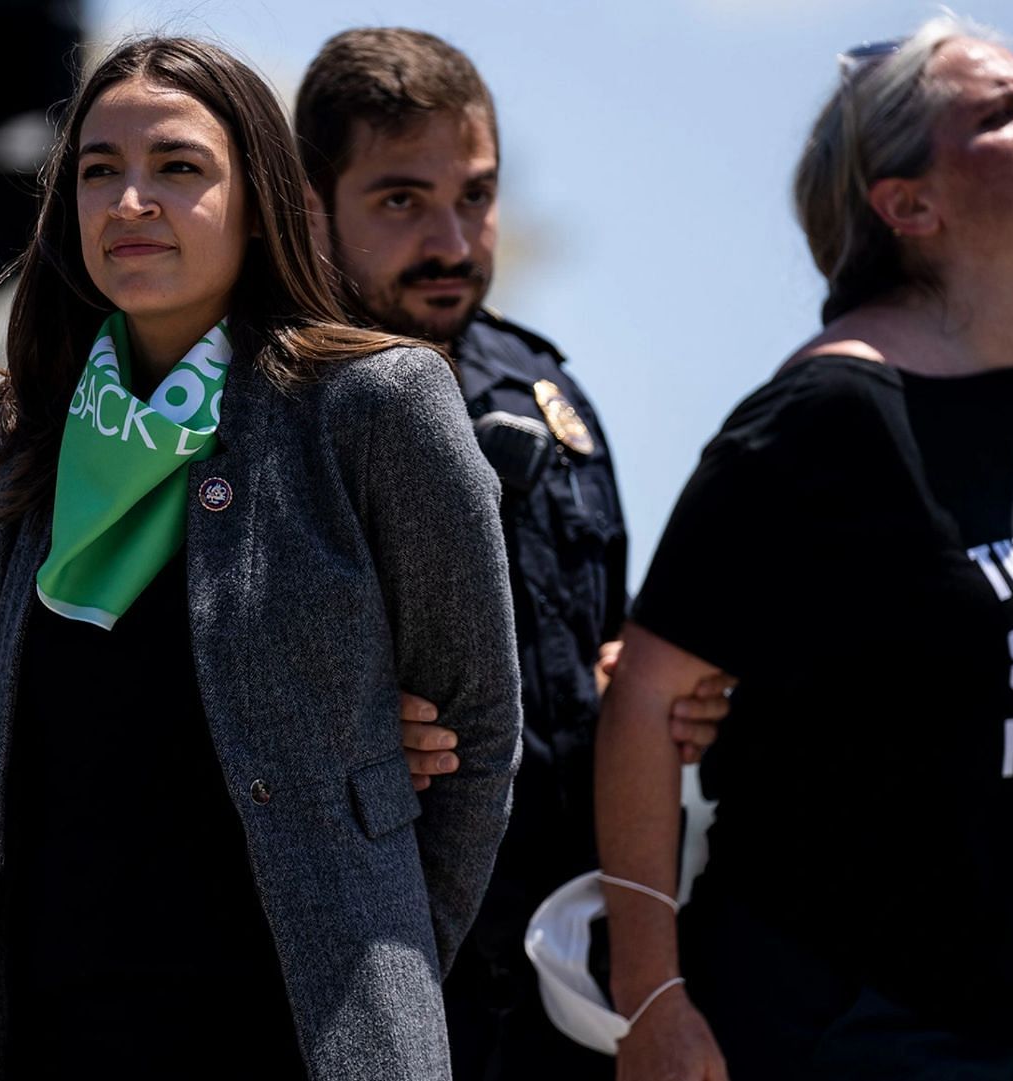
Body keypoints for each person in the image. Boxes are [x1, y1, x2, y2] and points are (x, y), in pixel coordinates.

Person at [593, 16, 1013, 1080]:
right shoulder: (823, 419)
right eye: (1003, 111)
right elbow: (643, 702)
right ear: (909, 205)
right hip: (841, 1025)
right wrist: (653, 1000)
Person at [0, 35, 521, 1081]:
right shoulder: (23, 434)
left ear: (259, 197)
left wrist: (376, 959)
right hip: (56, 1029)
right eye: (99, 171)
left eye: (178, 168)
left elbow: (478, 732)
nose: (131, 201)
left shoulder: (377, 403)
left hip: (289, 1036)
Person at [293, 28, 733, 1079]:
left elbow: (607, 647)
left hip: (559, 987)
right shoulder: (271, 416)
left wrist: (667, 695)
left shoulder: (549, 399)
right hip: (365, 984)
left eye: (477, 197)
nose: (453, 239)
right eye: (402, 201)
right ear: (311, 207)